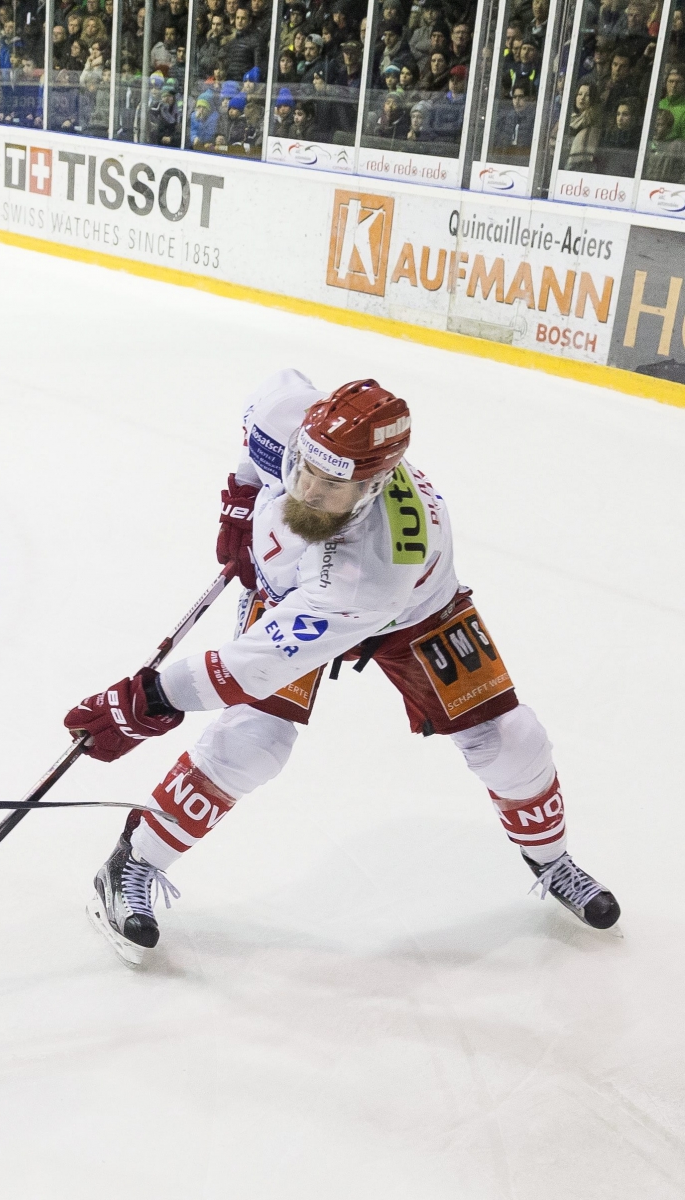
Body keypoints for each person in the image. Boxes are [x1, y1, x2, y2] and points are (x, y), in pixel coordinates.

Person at [62, 373, 620, 965]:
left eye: (331, 487)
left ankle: (551, 858)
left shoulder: (370, 572)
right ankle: (134, 861)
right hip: (293, 590)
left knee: (513, 742)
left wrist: (145, 699)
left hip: (411, 612)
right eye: (301, 468)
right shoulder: (297, 419)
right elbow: (259, 429)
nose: (306, 493)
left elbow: (253, 667)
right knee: (254, 740)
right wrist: (239, 501)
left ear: (375, 485)